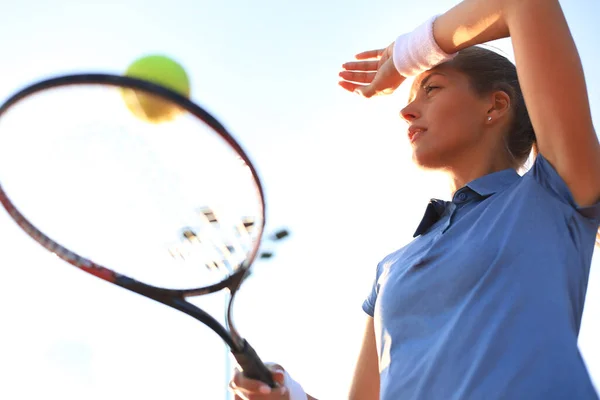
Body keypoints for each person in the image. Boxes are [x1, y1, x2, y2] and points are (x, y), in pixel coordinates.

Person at [229, 0, 600, 398]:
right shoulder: (391, 269)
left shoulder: (553, 192)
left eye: (432, 89)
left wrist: (407, 55)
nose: (407, 110)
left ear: (495, 105)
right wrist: (290, 397)